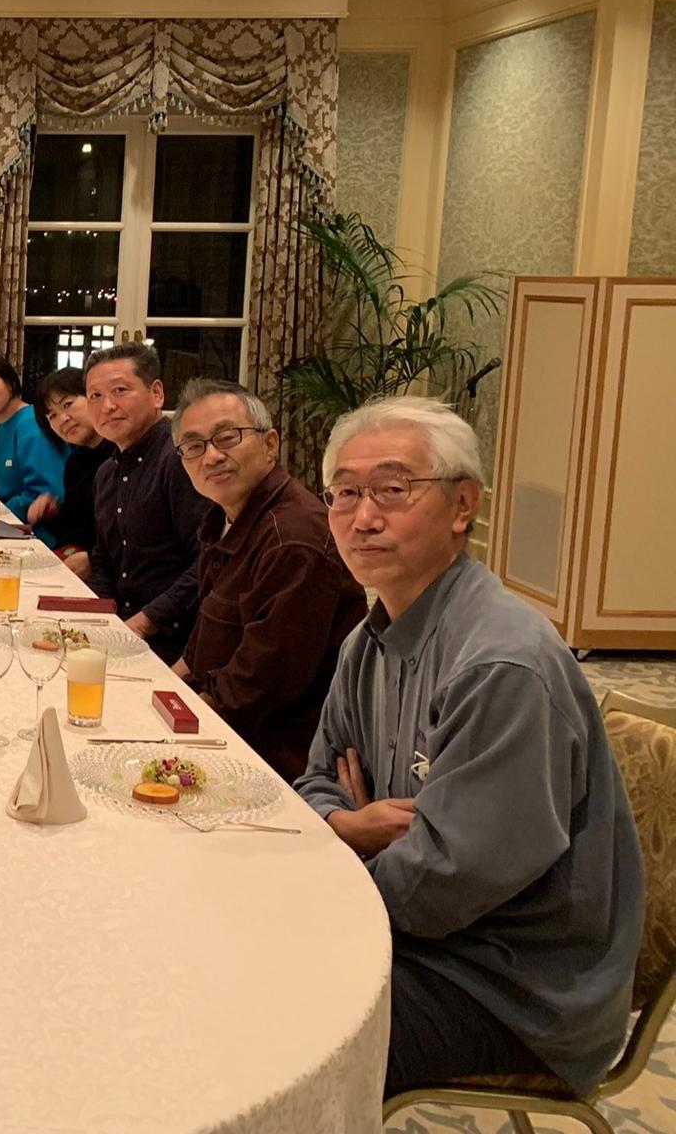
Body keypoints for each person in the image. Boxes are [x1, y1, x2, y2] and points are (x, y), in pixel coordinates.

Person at [294, 396, 642, 1099]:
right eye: (345, 493)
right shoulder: (369, 640)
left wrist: (312, 903)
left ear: (462, 506)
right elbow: (318, 779)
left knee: (274, 1022)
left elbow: (442, 884)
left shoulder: (499, 666)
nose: (364, 517)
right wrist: (348, 824)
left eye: (393, 490)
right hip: (433, 936)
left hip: (512, 987)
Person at [169, 379, 364, 781]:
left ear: (270, 443)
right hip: (229, 727)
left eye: (227, 437)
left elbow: (256, 686)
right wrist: (158, 691)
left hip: (275, 761)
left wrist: (169, 735)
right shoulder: (226, 518)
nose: (212, 456)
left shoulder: (293, 538)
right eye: (194, 446)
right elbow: (205, 640)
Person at [81, 343, 216, 664]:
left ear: (157, 394)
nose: (107, 406)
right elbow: (103, 560)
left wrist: (142, 623)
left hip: (178, 645)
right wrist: (96, 620)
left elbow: (208, 562)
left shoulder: (181, 460)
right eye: (95, 395)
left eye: (120, 390)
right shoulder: (106, 472)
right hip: (123, 631)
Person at [0, 353, 67, 543]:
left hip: (38, 535)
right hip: (7, 525)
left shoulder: (32, 426)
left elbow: (47, 493)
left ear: (9, 382)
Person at [27, 367, 112, 580]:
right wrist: (51, 513)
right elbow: (77, 525)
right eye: (52, 415)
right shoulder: (77, 461)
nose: (63, 419)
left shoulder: (120, 454)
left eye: (68, 404)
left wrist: (93, 559)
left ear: (93, 397)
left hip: (109, 577)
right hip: (78, 566)